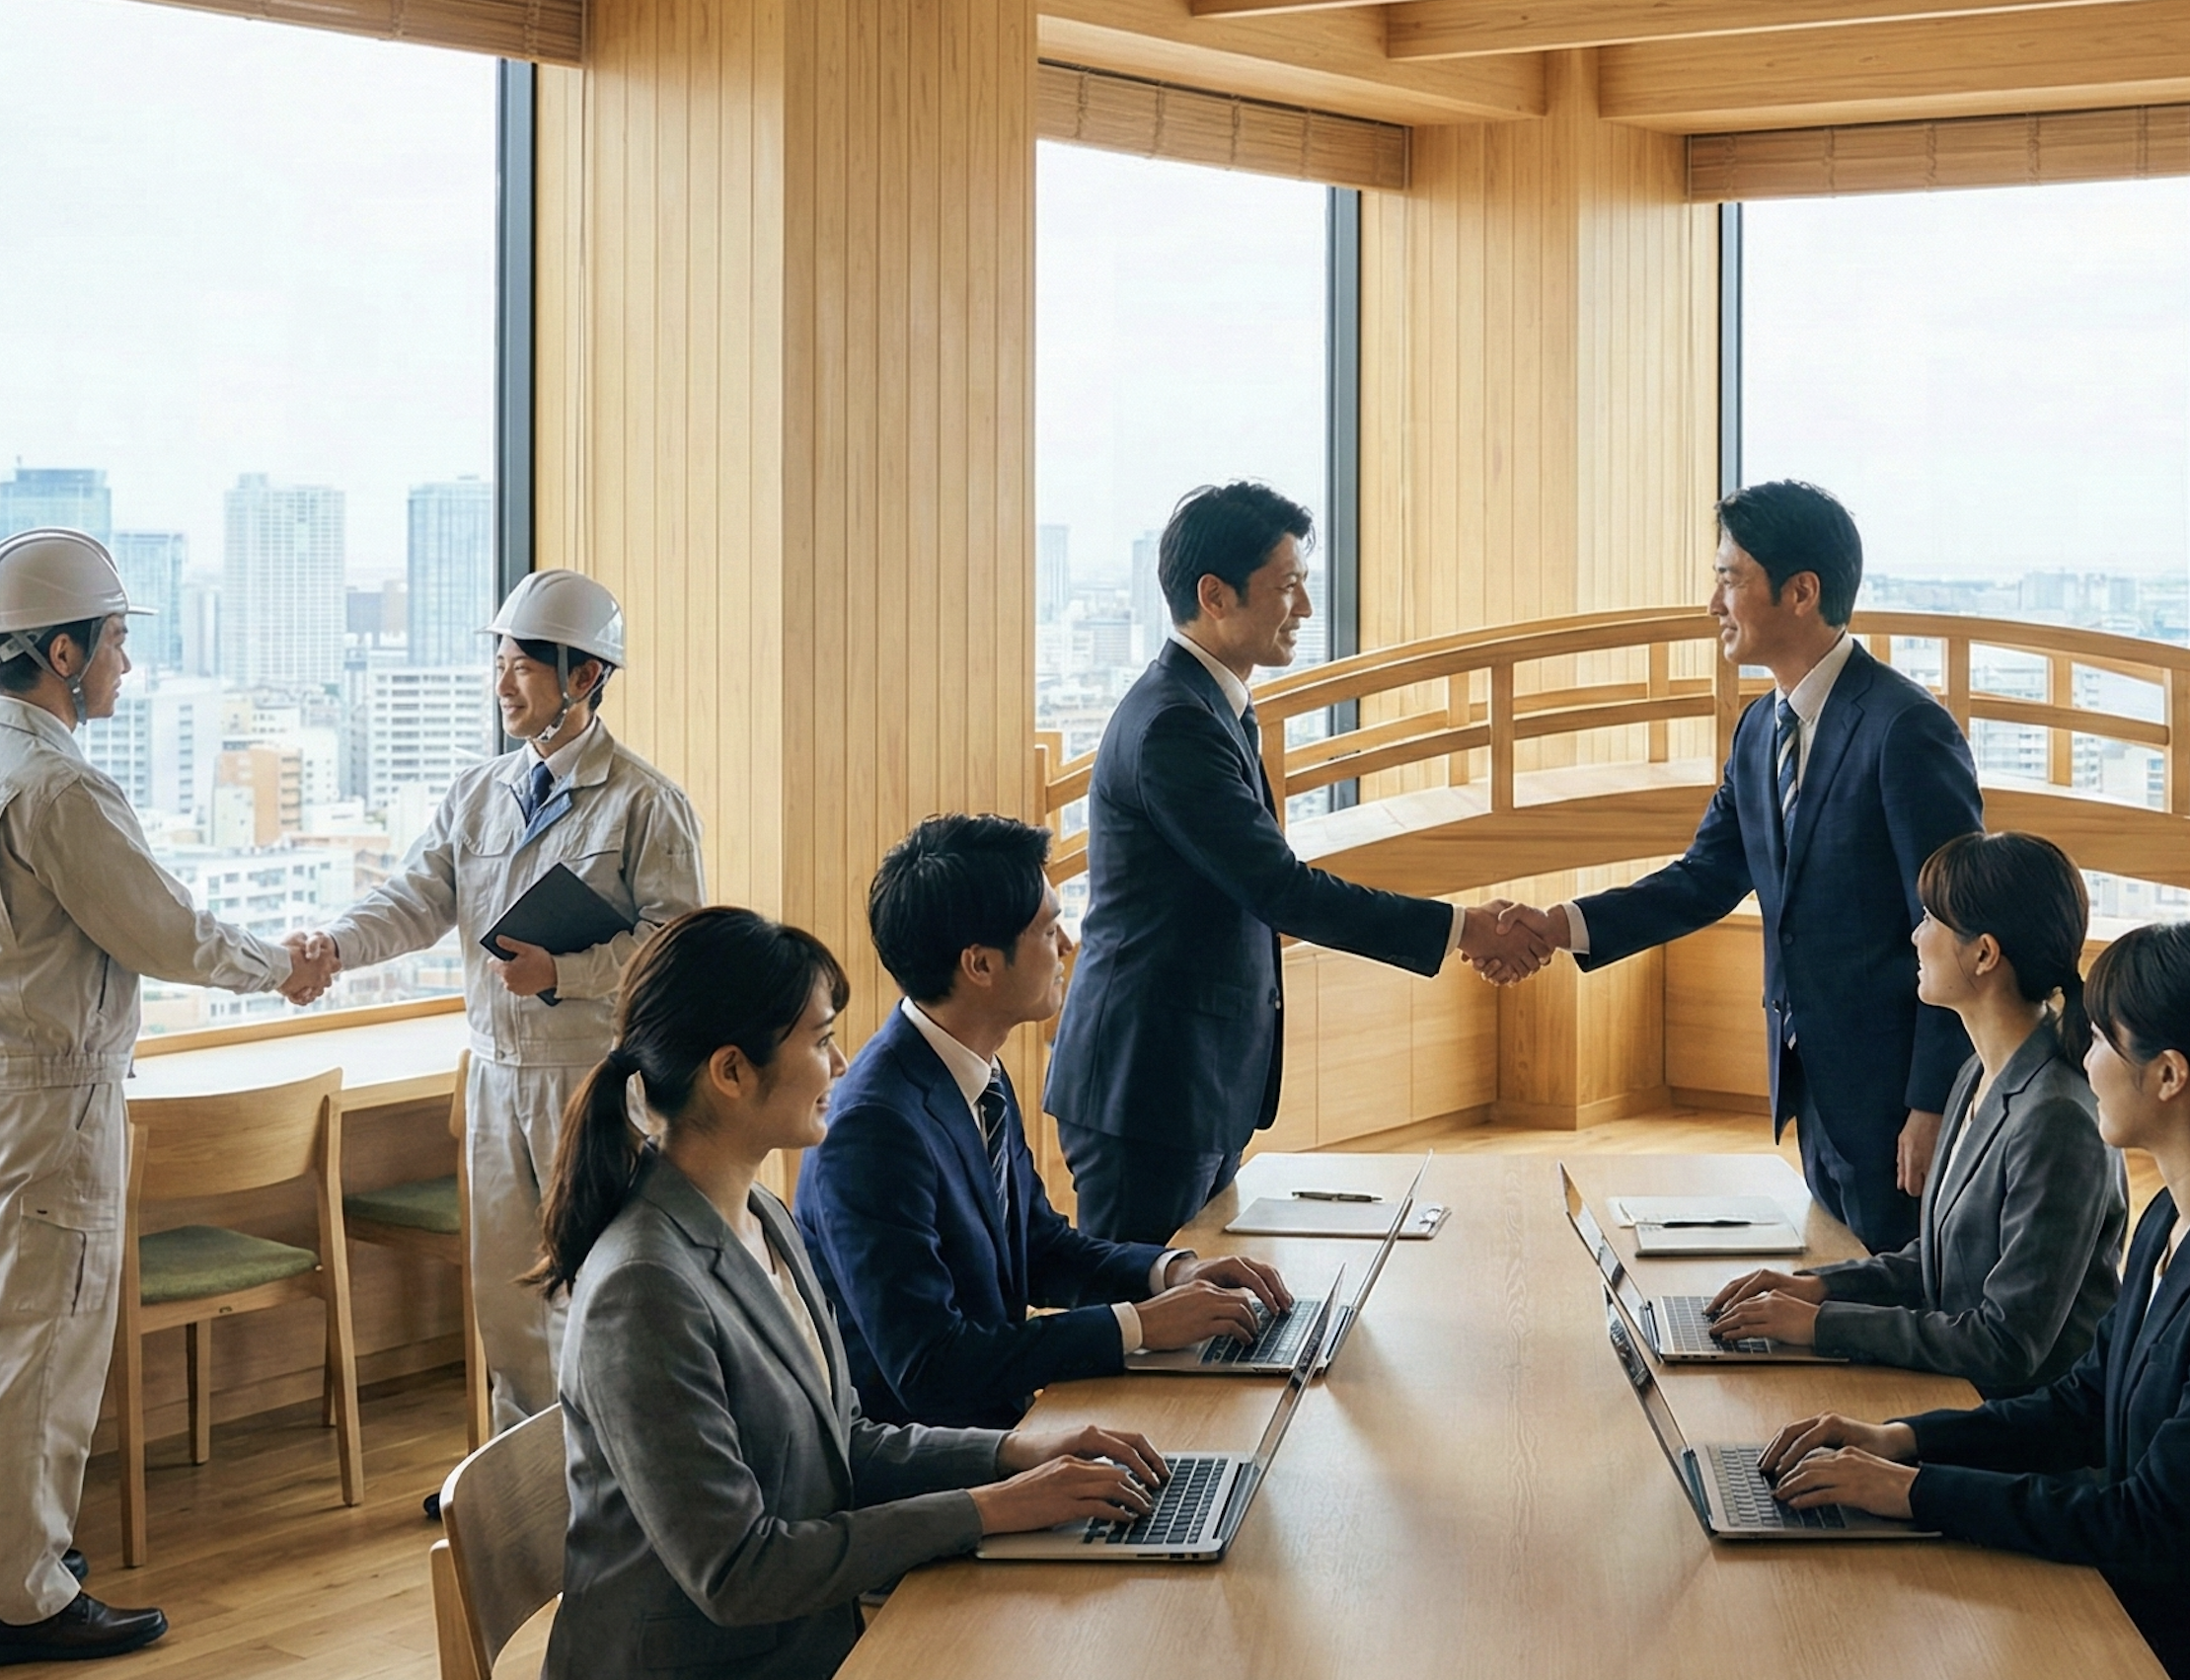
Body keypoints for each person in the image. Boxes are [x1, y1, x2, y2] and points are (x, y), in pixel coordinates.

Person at [1761, 916, 2190, 1680]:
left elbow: (2147, 1525)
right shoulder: (2176, 1212)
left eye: (2101, 1037)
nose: (2084, 1056)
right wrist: (1904, 1440)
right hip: (2177, 1613)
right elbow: (2083, 1403)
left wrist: (1915, 1492)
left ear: (2169, 1075)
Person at [538, 907, 1171, 1680]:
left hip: (804, 1639)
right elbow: (740, 1571)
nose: (840, 1066)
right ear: (731, 1072)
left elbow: (843, 1441)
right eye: (820, 1039)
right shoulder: (641, 1289)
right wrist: (991, 1508)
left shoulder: (759, 1213)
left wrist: (1015, 1455)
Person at [0, 530, 333, 1666]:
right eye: (116, 643)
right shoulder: (58, 785)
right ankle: (24, 1597)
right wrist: (276, 965)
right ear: (60, 651)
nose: (125, 667)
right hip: (49, 1096)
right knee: (39, 1345)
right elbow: (166, 930)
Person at [1044, 481, 1550, 1243]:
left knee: (1192, 1311)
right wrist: (1465, 929)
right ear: (1214, 595)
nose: (1306, 610)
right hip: (1149, 1084)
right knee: (1143, 1323)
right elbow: (1279, 889)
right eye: (1287, 587)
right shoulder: (1174, 726)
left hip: (1192, 1079)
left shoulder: (1210, 705)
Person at [1505, 481, 1981, 1252]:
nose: (1712, 604)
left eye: (1730, 579)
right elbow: (1704, 878)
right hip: (1812, 1087)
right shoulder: (1761, 727)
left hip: (1896, 1099)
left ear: (1801, 592)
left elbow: (1957, 925)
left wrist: (1933, 1103)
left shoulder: (1906, 730)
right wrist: (1559, 926)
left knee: (1901, 1310)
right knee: (1840, 1287)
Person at [296, 568, 703, 1442]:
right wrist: (334, 947)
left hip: (591, 1081)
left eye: (523, 665)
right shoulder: (475, 795)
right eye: (500, 663)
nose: (502, 683)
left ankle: (615, 1469)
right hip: (492, 1073)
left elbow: (677, 949)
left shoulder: (646, 803)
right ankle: (519, 1484)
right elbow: (413, 899)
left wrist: (565, 969)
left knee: (597, 1278)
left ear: (585, 675)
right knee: (504, 1294)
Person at [794, 814, 1295, 1427]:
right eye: (1048, 928)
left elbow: (1040, 1247)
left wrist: (1169, 1272)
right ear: (979, 965)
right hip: (942, 1468)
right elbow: (930, 1369)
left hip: (1008, 1425)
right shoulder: (871, 1130)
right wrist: (1137, 1327)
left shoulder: (973, 1068)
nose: (1066, 946)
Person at [1704, 831, 2125, 1397]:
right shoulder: (1979, 1072)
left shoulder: (2058, 1118)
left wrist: (1823, 1326)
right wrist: (1818, 1290)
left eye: (1931, 919)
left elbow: (2005, 1344)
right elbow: (1940, 1264)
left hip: (2012, 1432)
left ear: (1984, 954)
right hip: (1957, 1391)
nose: (1915, 934)